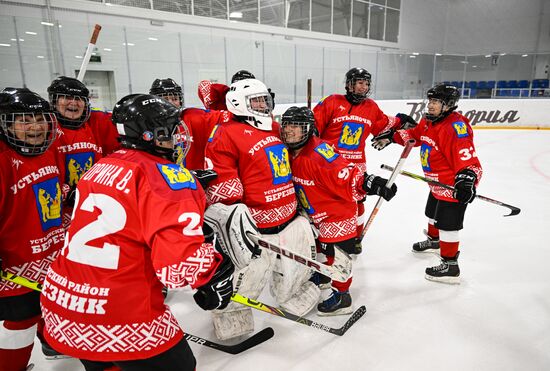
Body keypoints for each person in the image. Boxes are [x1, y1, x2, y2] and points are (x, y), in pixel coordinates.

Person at [40, 94, 235, 370]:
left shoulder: (99, 166)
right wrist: (213, 272)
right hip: (119, 311)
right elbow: (176, 269)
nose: (178, 137)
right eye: (170, 131)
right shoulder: (169, 178)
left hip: (62, 307)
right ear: (149, 135)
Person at [204, 78, 320, 339]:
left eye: (264, 99)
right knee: (247, 278)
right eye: (255, 101)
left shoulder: (275, 127)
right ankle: (232, 315)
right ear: (238, 103)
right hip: (256, 228)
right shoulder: (225, 133)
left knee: (294, 269)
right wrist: (231, 197)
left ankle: (294, 294)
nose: (262, 105)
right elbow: (221, 179)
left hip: (290, 216)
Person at [280, 106, 397, 315]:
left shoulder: (319, 153)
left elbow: (344, 172)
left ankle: (343, 297)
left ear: (307, 129)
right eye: (287, 125)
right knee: (323, 249)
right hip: (316, 212)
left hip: (336, 212)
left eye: (296, 127)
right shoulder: (288, 152)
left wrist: (369, 182)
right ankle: (325, 276)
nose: (289, 131)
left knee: (338, 255)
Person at [372, 83, 482, 284]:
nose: (430, 106)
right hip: (436, 184)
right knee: (432, 213)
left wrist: (467, 180)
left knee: (448, 224)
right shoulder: (429, 121)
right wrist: (392, 137)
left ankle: (450, 265)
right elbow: (415, 135)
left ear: (448, 105)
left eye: (436, 102)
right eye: (430, 101)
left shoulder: (455, 128)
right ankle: (434, 241)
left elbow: (468, 159)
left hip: (451, 187)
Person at [313, 67, 416, 249]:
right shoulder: (331, 102)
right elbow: (314, 129)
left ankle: (355, 237)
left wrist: (401, 120)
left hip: (356, 164)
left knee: (358, 201)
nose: (364, 87)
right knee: (325, 200)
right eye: (360, 82)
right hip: (329, 164)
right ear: (349, 84)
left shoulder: (371, 107)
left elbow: (383, 123)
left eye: (366, 83)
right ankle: (321, 236)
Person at [0, 88, 64, 371]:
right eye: (24, 120)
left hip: (50, 252)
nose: (36, 126)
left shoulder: (48, 151)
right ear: (6, 124)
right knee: (20, 322)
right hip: (16, 263)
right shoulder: (2, 159)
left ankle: (50, 341)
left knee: (48, 306)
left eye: (39, 118)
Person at [48, 76, 120, 224]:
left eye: (79, 98)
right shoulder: (45, 130)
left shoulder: (96, 122)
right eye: (67, 97)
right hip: (61, 212)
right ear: (54, 102)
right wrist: (67, 193)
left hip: (96, 203)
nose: (73, 102)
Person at [149, 78, 231, 171]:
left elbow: (228, 116)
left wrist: (229, 96)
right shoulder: (146, 125)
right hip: (163, 181)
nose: (170, 103)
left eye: (175, 99)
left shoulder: (193, 117)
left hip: (195, 182)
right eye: (165, 99)